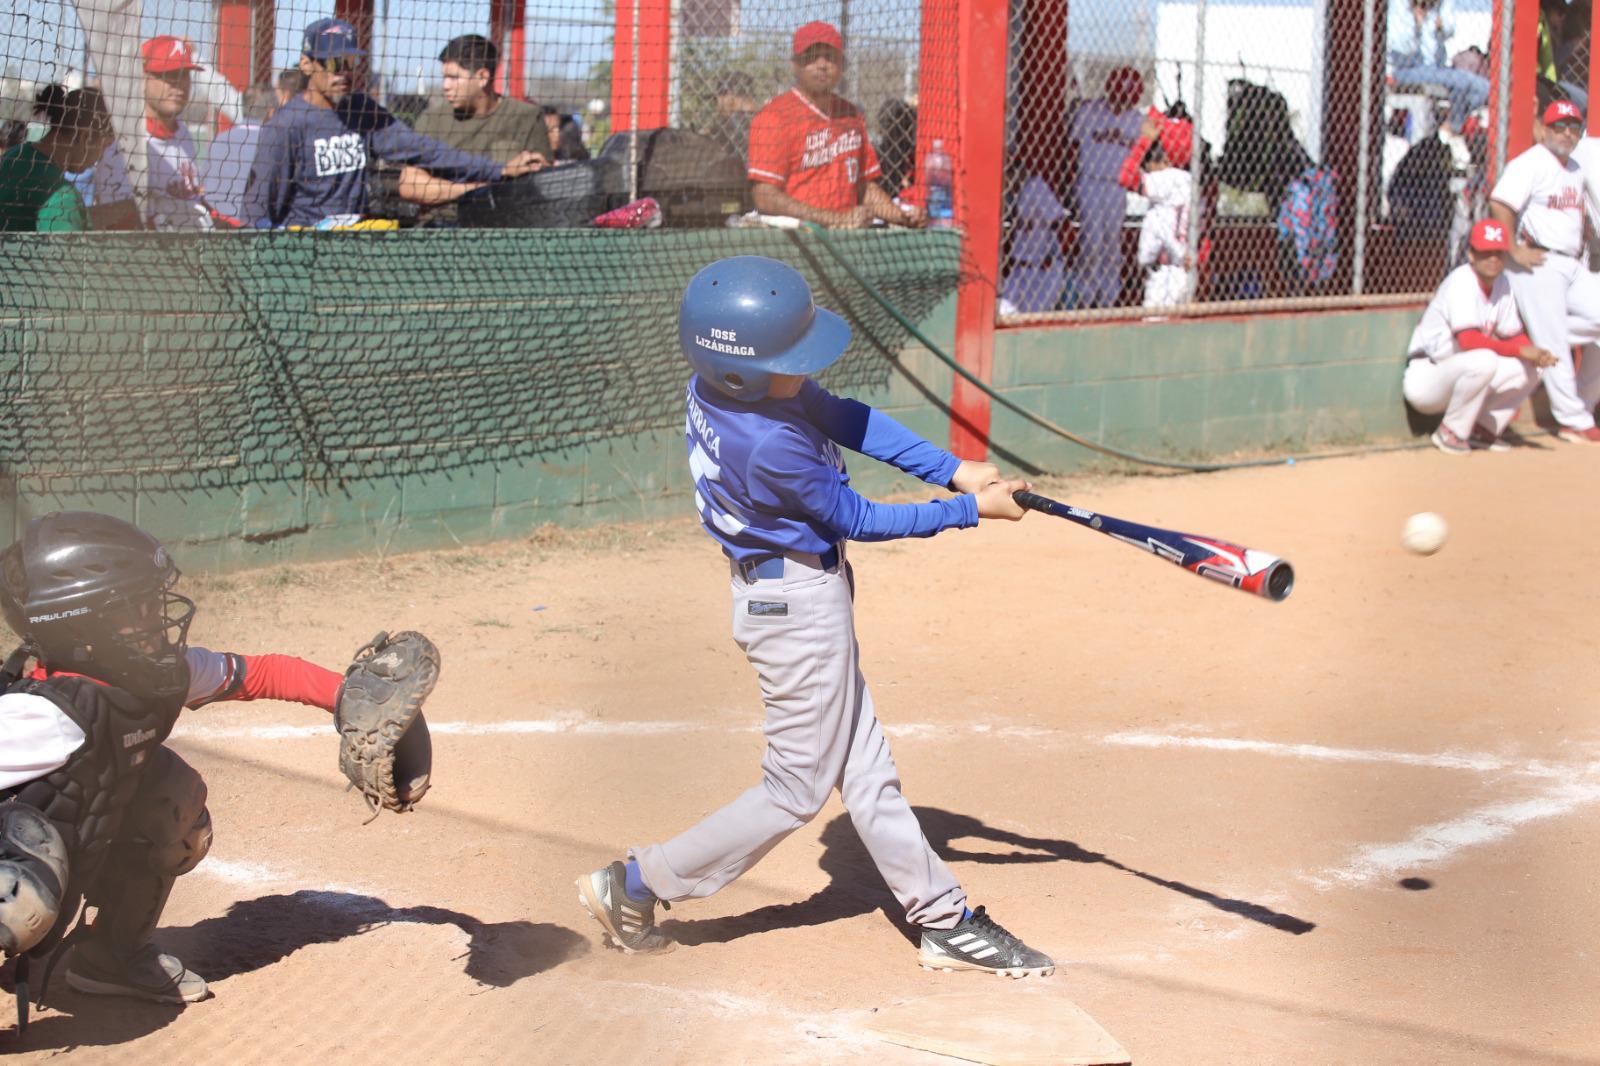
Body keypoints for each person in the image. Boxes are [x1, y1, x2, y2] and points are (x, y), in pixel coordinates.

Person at [575, 255, 1054, 978]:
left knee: (867, 773)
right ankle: (636, 885)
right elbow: (854, 515)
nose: (803, 371)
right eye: (788, 360)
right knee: (796, 790)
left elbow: (842, 416)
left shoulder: (730, 390)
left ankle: (943, 918)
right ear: (740, 368)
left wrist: (951, 467)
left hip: (795, 596)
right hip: (795, 609)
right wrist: (967, 511)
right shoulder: (766, 442)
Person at [0, 512, 356, 1007]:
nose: (155, 614)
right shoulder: (37, 716)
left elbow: (261, 674)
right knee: (17, 885)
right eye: (135, 606)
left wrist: (349, 695)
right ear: (83, 622)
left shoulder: (157, 674)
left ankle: (111, 956)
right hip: (25, 877)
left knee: (172, 799)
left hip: (69, 854)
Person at [240, 18, 545, 229]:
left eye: (350, 62)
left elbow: (427, 151)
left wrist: (499, 170)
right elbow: (257, 208)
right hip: (304, 257)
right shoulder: (286, 125)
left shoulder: (362, 110)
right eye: (333, 63)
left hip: (355, 250)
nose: (343, 72)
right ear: (307, 64)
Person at [1489, 98, 1600, 444]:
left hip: (1569, 262)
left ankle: (1535, 336)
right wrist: (1512, 249)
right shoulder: (1530, 163)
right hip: (1538, 262)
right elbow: (1501, 203)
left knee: (1564, 329)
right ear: (1544, 129)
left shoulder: (1574, 168)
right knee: (1551, 334)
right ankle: (1573, 419)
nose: (1566, 133)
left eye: (1573, 127)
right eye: (1559, 126)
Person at [746, 22, 925, 229]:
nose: (822, 64)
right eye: (812, 57)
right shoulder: (774, 117)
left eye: (830, 57)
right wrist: (834, 219)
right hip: (796, 240)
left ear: (842, 65)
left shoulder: (850, 115)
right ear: (795, 65)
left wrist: (901, 216)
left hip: (847, 236)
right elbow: (764, 196)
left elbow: (864, 187)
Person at [1403, 219, 1556, 453]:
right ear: (1472, 255)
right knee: (1484, 359)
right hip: (1428, 379)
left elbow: (1513, 335)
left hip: (1462, 374)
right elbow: (1469, 340)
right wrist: (1520, 350)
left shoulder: (1502, 283)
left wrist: (1535, 354)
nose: (1493, 259)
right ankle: (1451, 431)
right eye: (1486, 253)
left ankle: (1482, 430)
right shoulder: (1461, 281)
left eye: (1498, 253)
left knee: (1533, 367)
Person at [401, 34, 551, 211]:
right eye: (444, 77)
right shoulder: (432, 120)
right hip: (443, 226)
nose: (445, 85)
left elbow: (544, 183)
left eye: (454, 77)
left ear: (482, 77)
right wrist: (477, 190)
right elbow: (409, 185)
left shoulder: (526, 117)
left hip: (507, 225)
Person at [91, 35, 214, 231]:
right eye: (169, 75)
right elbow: (118, 225)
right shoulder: (122, 143)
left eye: (184, 75)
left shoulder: (183, 134)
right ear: (141, 79)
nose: (179, 85)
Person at [1065, 67, 1145, 309]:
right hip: (1089, 180)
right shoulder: (1089, 111)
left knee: (1111, 242)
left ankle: (1109, 295)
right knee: (1092, 239)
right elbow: (1072, 148)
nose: (1122, 102)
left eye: (1127, 98)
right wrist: (1069, 184)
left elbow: (1150, 148)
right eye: (1119, 95)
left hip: (1116, 187)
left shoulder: (1138, 120)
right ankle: (1086, 294)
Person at [0, 85, 114, 232]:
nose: (100, 157)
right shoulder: (62, 197)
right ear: (85, 137)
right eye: (104, 146)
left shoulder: (14, 156)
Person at [1118, 110, 1196, 310]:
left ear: (1166, 161)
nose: (1148, 164)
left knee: (1153, 333)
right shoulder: (1190, 182)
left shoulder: (1170, 178)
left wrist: (1143, 141)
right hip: (1181, 273)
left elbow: (1126, 176)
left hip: (1166, 277)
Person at [1386, 0, 1489, 136]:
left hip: (1435, 68)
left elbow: (1450, 28)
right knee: (1465, 82)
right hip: (1405, 69)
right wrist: (1416, 24)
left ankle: (1447, 128)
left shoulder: (1438, 4)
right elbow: (1399, 45)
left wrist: (1441, 24)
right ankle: (1452, 128)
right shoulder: (1401, 4)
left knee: (1481, 89)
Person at [199, 84, 278, 224]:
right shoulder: (273, 144)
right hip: (252, 230)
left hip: (214, 225)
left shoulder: (219, 140)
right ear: (271, 112)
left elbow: (203, 187)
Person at [702, 71, 758, 165]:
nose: (715, 107)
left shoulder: (725, 127)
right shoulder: (764, 120)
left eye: (716, 100)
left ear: (729, 96)